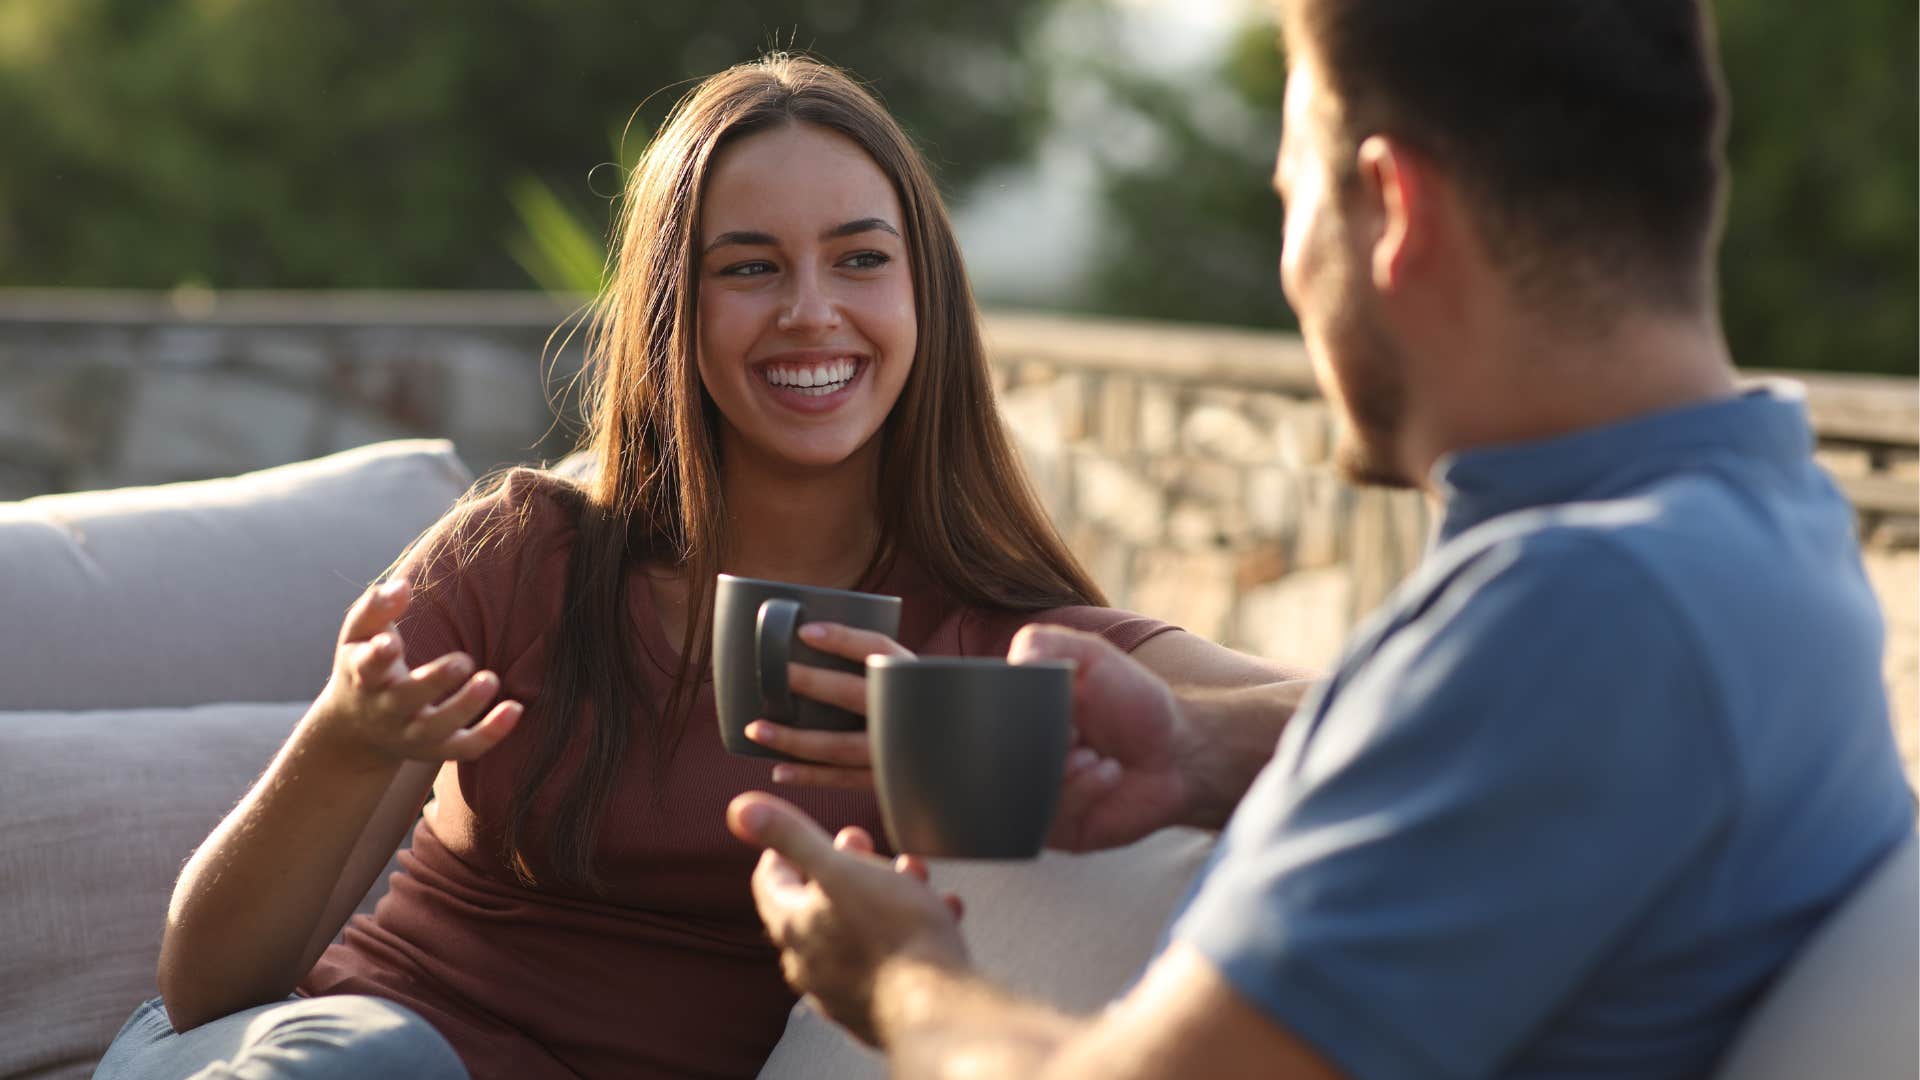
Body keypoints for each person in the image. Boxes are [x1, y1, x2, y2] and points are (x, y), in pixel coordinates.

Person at [727, 3, 1918, 1077]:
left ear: (1390, 209)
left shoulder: (1590, 602)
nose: (1292, 262)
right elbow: (1529, 779)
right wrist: (1197, 752)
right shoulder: (1757, 510)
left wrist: (900, 979)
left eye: (1289, 193)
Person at [93, 55, 1310, 1080]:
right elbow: (206, 987)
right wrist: (348, 739)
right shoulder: (528, 555)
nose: (812, 312)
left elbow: (1367, 712)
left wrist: (1103, 733)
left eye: (860, 259)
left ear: (925, 294)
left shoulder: (986, 638)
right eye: (750, 267)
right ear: (677, 306)